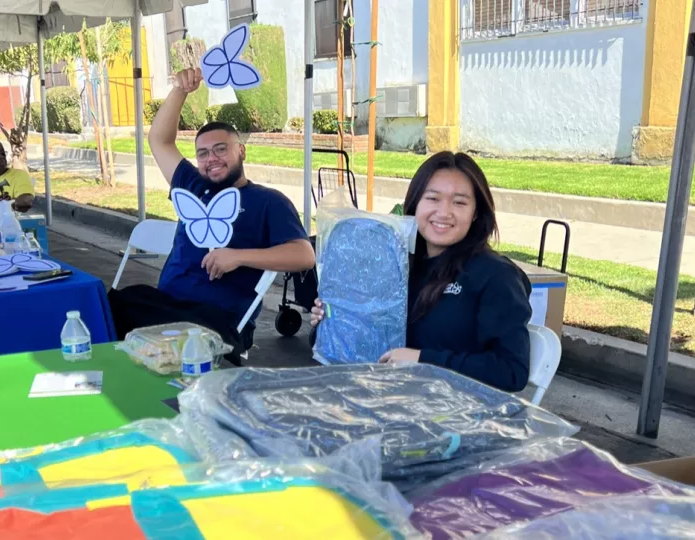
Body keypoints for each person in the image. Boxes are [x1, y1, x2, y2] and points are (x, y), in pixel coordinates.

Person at [108, 67, 315, 362]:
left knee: (165, 338)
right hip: (164, 305)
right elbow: (159, 141)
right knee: (104, 304)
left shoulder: (268, 201)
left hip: (217, 320)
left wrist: (238, 256)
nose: (211, 159)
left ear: (241, 151)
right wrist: (180, 90)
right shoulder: (192, 185)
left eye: (220, 149)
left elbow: (303, 255)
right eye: (203, 154)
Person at [310, 151, 532, 392]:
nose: (444, 212)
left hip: (455, 417)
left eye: (459, 202)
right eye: (433, 198)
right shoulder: (396, 267)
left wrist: (423, 360)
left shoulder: (496, 277)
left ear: (476, 212)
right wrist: (330, 324)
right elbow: (364, 348)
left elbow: (511, 372)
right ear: (415, 204)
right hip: (386, 399)